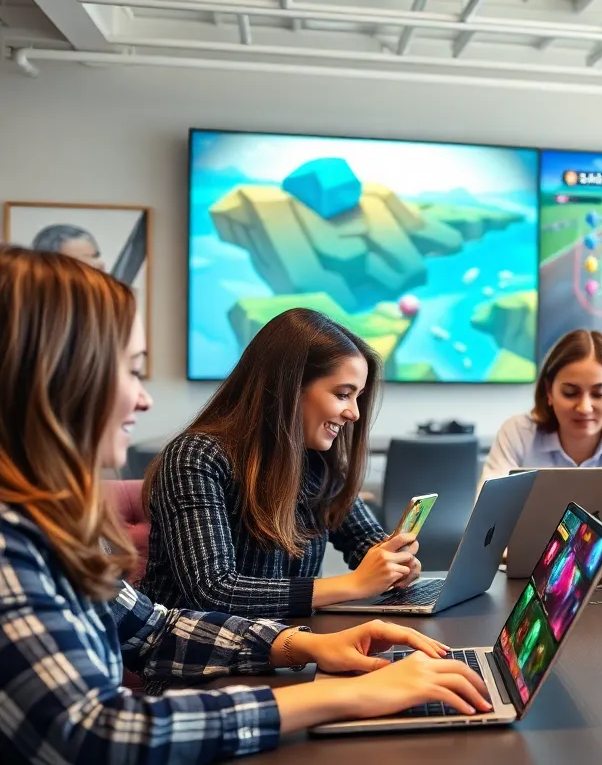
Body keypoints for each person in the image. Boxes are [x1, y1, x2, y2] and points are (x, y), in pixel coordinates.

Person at [0, 246, 491, 763]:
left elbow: (154, 627)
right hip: (193, 693)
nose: (144, 400)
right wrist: (338, 693)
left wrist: (303, 646)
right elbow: (95, 733)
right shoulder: (15, 545)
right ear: (57, 379)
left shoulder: (47, 527)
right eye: (132, 372)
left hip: (253, 668)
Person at [139, 308, 421, 619]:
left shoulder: (316, 463)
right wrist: (354, 584)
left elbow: (362, 540)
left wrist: (393, 561)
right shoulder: (196, 456)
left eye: (357, 397)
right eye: (343, 395)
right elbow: (213, 590)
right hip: (203, 658)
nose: (354, 413)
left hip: (288, 645)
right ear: (290, 388)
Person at [479, 329, 602, 487]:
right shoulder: (518, 434)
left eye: (598, 394)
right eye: (570, 393)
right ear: (549, 392)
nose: (584, 408)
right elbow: (486, 518)